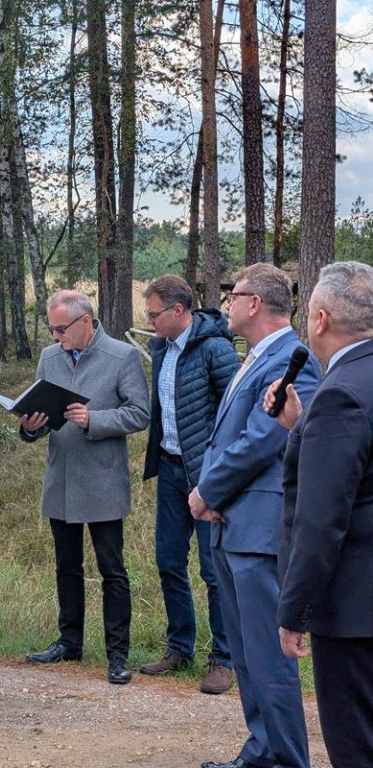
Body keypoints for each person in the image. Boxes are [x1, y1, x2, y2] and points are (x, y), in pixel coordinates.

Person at [188, 263, 321, 768]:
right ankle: (262, 753)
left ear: (255, 303)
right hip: (232, 526)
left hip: (258, 530)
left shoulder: (293, 360)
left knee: (269, 659)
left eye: (233, 295)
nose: (227, 305)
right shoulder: (255, 357)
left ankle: (286, 760)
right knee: (246, 657)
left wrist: (208, 489)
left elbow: (266, 438)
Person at [264, 261, 373, 768]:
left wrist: (294, 610)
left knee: (356, 742)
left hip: (355, 610)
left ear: (322, 320)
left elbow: (320, 519)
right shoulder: (348, 390)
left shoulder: (340, 394)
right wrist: (301, 425)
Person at [20, 290, 150, 684]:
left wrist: (95, 419)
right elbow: (38, 409)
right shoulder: (49, 357)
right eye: (52, 329)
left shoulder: (122, 356)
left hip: (103, 478)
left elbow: (140, 413)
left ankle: (117, 654)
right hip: (61, 477)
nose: (57, 336)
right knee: (66, 567)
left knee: (112, 570)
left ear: (85, 322)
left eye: (61, 328)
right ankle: (69, 642)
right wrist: (30, 427)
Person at [141, 275, 240, 694]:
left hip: (208, 475)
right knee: (168, 561)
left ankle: (223, 658)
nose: (148, 321)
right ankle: (179, 648)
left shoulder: (217, 349)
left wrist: (221, 473)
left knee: (214, 570)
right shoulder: (160, 348)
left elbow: (239, 409)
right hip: (170, 469)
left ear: (178, 311)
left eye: (153, 314)